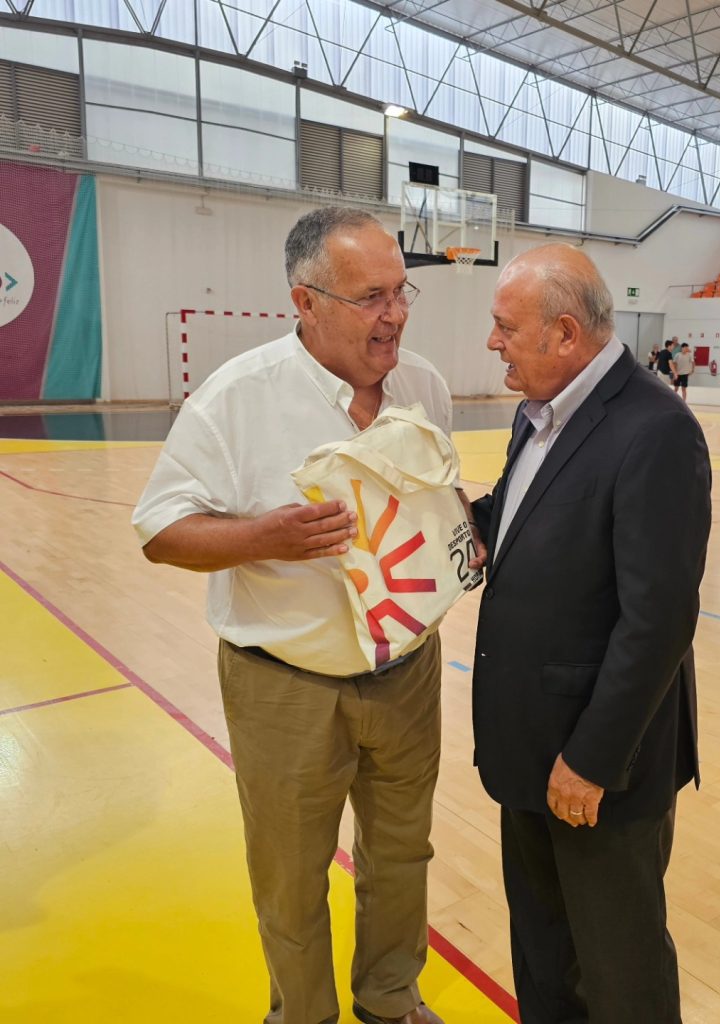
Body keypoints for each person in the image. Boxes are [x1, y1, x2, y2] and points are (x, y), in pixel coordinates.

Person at [132, 207, 458, 1024]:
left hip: (408, 673)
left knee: (401, 854)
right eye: (371, 297)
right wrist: (262, 537)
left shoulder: (423, 386)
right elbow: (161, 532)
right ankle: (302, 1013)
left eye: (400, 291)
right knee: (290, 872)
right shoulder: (235, 398)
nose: (395, 314)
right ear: (305, 302)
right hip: (285, 685)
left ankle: (390, 999)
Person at [468, 243, 712, 1024]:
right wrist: (439, 515)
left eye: (505, 326)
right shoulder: (537, 412)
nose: (492, 342)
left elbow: (659, 619)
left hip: (595, 767)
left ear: (565, 334)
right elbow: (511, 513)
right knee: (543, 957)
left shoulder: (655, 431)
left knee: (620, 974)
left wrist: (592, 760)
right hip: (528, 749)